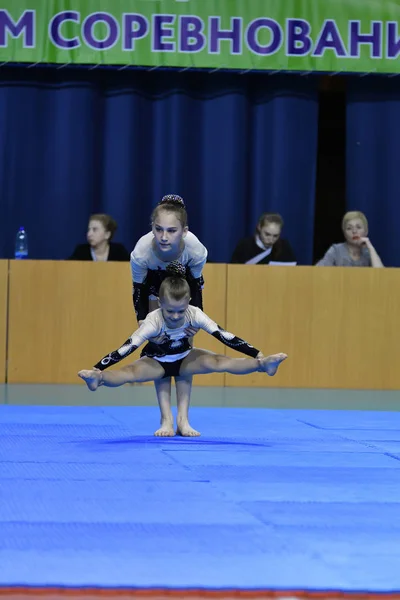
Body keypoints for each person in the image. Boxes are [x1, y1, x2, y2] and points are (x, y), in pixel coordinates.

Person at [79, 276, 287, 437]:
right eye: (170, 311)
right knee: (130, 372)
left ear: (188, 301)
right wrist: (99, 367)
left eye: (181, 311)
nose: (176, 317)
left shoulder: (194, 313)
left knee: (219, 361)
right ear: (160, 303)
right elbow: (127, 347)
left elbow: (224, 335)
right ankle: (98, 379)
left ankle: (263, 364)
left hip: (185, 359)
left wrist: (257, 353)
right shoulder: (153, 320)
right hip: (156, 362)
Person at [316, 211, 384, 267]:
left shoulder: (369, 253)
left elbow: (381, 276)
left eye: (358, 227)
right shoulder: (336, 251)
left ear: (366, 231)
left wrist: (370, 247)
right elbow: (317, 271)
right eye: (349, 228)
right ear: (344, 233)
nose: (354, 231)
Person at [231, 213, 296, 265]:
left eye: (275, 236)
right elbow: (233, 270)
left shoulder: (284, 246)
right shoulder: (244, 245)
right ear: (259, 227)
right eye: (267, 234)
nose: (271, 240)